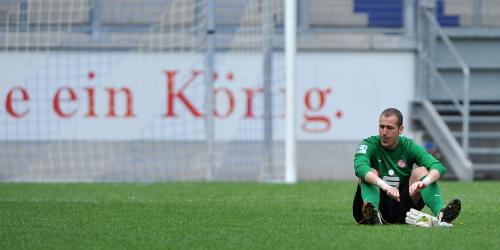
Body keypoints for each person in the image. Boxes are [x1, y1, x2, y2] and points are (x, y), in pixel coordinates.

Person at [352, 108, 461, 226]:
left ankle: (441, 214)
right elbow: (359, 166)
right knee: (369, 172)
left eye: (389, 128)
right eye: (381, 126)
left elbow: (438, 166)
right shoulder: (369, 144)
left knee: (422, 171)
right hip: (375, 204)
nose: (384, 132)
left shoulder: (408, 146)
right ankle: (372, 212)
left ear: (401, 129)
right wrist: (384, 185)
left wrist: (425, 182)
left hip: (402, 208)